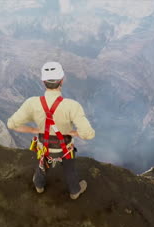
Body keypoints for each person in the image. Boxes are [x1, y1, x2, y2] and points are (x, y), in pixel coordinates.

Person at [7, 61, 95, 200]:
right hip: (64, 149)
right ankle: (75, 191)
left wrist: (33, 130)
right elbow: (88, 134)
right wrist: (72, 133)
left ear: (43, 82)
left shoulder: (32, 103)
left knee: (42, 163)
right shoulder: (72, 106)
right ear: (62, 81)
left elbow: (11, 124)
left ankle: (39, 186)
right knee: (69, 168)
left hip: (44, 147)